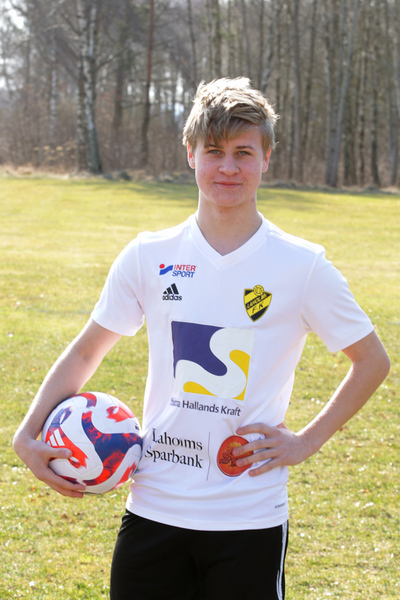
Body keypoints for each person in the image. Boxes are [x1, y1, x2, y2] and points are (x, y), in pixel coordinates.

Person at [13, 77, 390, 600]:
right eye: (214, 151)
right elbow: (86, 350)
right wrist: (27, 434)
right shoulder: (149, 255)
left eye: (243, 152)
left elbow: (371, 360)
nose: (228, 167)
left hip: (248, 517)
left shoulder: (302, 266)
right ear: (190, 154)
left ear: (266, 158)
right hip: (154, 505)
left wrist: (305, 442)